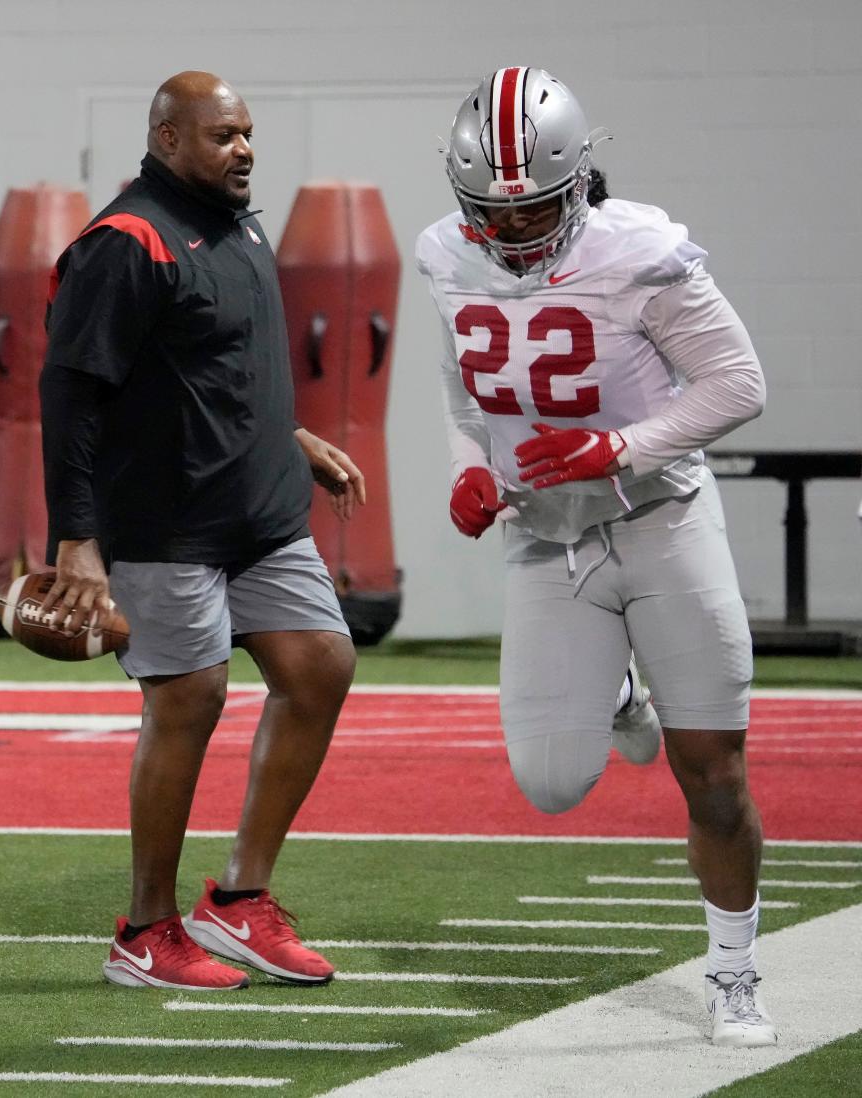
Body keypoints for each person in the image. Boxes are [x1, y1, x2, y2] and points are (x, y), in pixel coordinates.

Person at [416, 67, 775, 1047]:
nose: (514, 230)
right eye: (493, 210)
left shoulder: (641, 252)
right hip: (543, 535)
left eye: (533, 210)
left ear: (581, 180)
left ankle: (735, 975)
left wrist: (616, 446)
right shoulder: (446, 253)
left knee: (712, 770)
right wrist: (466, 470)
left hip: (661, 519)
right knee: (550, 783)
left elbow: (739, 383)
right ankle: (618, 697)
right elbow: (464, 393)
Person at [39, 71, 364, 992]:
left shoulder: (244, 226)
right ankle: (145, 929)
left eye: (249, 132)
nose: (245, 149)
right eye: (224, 135)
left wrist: (287, 436)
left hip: (259, 514)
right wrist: (76, 540)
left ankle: (240, 903)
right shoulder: (125, 242)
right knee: (189, 699)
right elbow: (71, 396)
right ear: (170, 138)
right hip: (165, 521)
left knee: (320, 666)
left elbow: (214, 356)